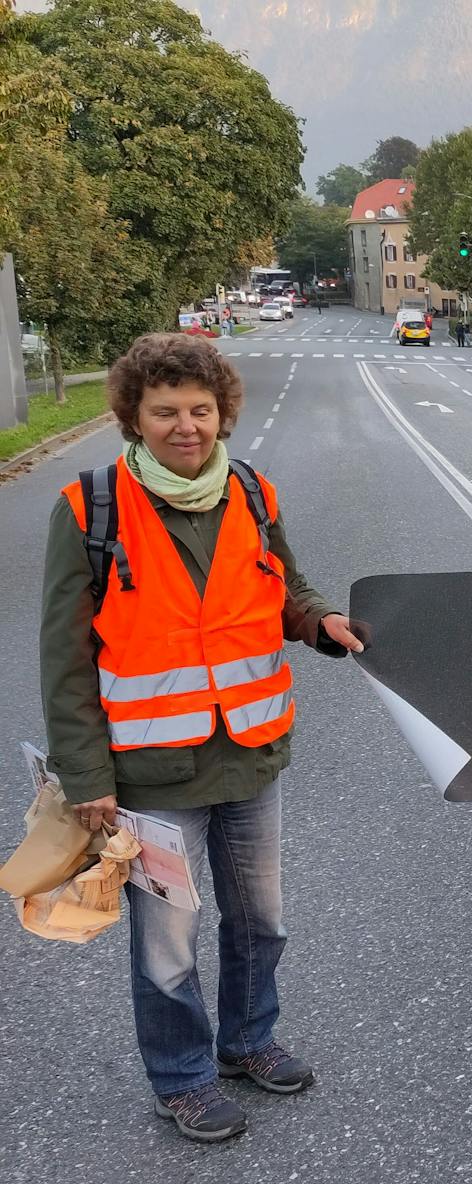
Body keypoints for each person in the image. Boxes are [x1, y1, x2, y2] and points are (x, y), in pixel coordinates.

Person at [38, 333, 365, 1142]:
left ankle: (248, 1042)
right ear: (132, 417)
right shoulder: (91, 509)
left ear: (222, 414)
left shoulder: (251, 493)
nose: (186, 426)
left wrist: (320, 622)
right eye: (165, 411)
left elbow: (285, 584)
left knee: (262, 921)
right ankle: (181, 1078)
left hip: (249, 756)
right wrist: (86, 777)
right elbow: (66, 658)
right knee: (167, 946)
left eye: (200, 409)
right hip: (149, 771)